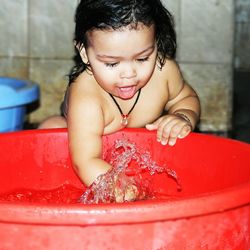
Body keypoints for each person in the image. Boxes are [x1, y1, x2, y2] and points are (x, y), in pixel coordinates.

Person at [39, 0, 200, 190]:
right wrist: (123, 189)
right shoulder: (86, 98)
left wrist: (183, 116)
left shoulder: (164, 73)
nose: (128, 74)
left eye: (142, 58)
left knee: (175, 135)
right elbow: (85, 160)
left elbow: (186, 98)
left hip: (135, 146)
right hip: (83, 144)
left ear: (155, 44)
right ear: (84, 53)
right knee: (50, 131)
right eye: (112, 63)